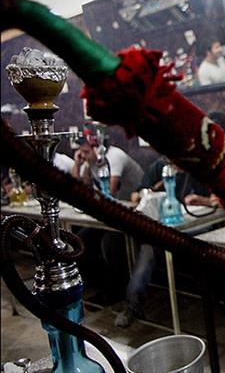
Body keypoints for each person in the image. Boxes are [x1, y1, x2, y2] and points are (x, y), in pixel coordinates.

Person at [115, 156, 211, 327]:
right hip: (166, 229)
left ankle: (211, 300)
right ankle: (132, 304)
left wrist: (201, 200)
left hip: (199, 226)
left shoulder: (200, 166)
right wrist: (150, 192)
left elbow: (219, 201)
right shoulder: (159, 166)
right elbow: (135, 195)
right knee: (149, 245)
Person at [70, 127, 144, 305]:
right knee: (82, 240)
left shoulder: (114, 156)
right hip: (111, 215)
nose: (84, 155)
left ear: (97, 147)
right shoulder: (92, 162)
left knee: (110, 243)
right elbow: (80, 186)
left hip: (133, 212)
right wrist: (80, 165)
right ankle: (98, 286)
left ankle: (116, 291)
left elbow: (110, 191)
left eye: (86, 151)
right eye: (81, 152)